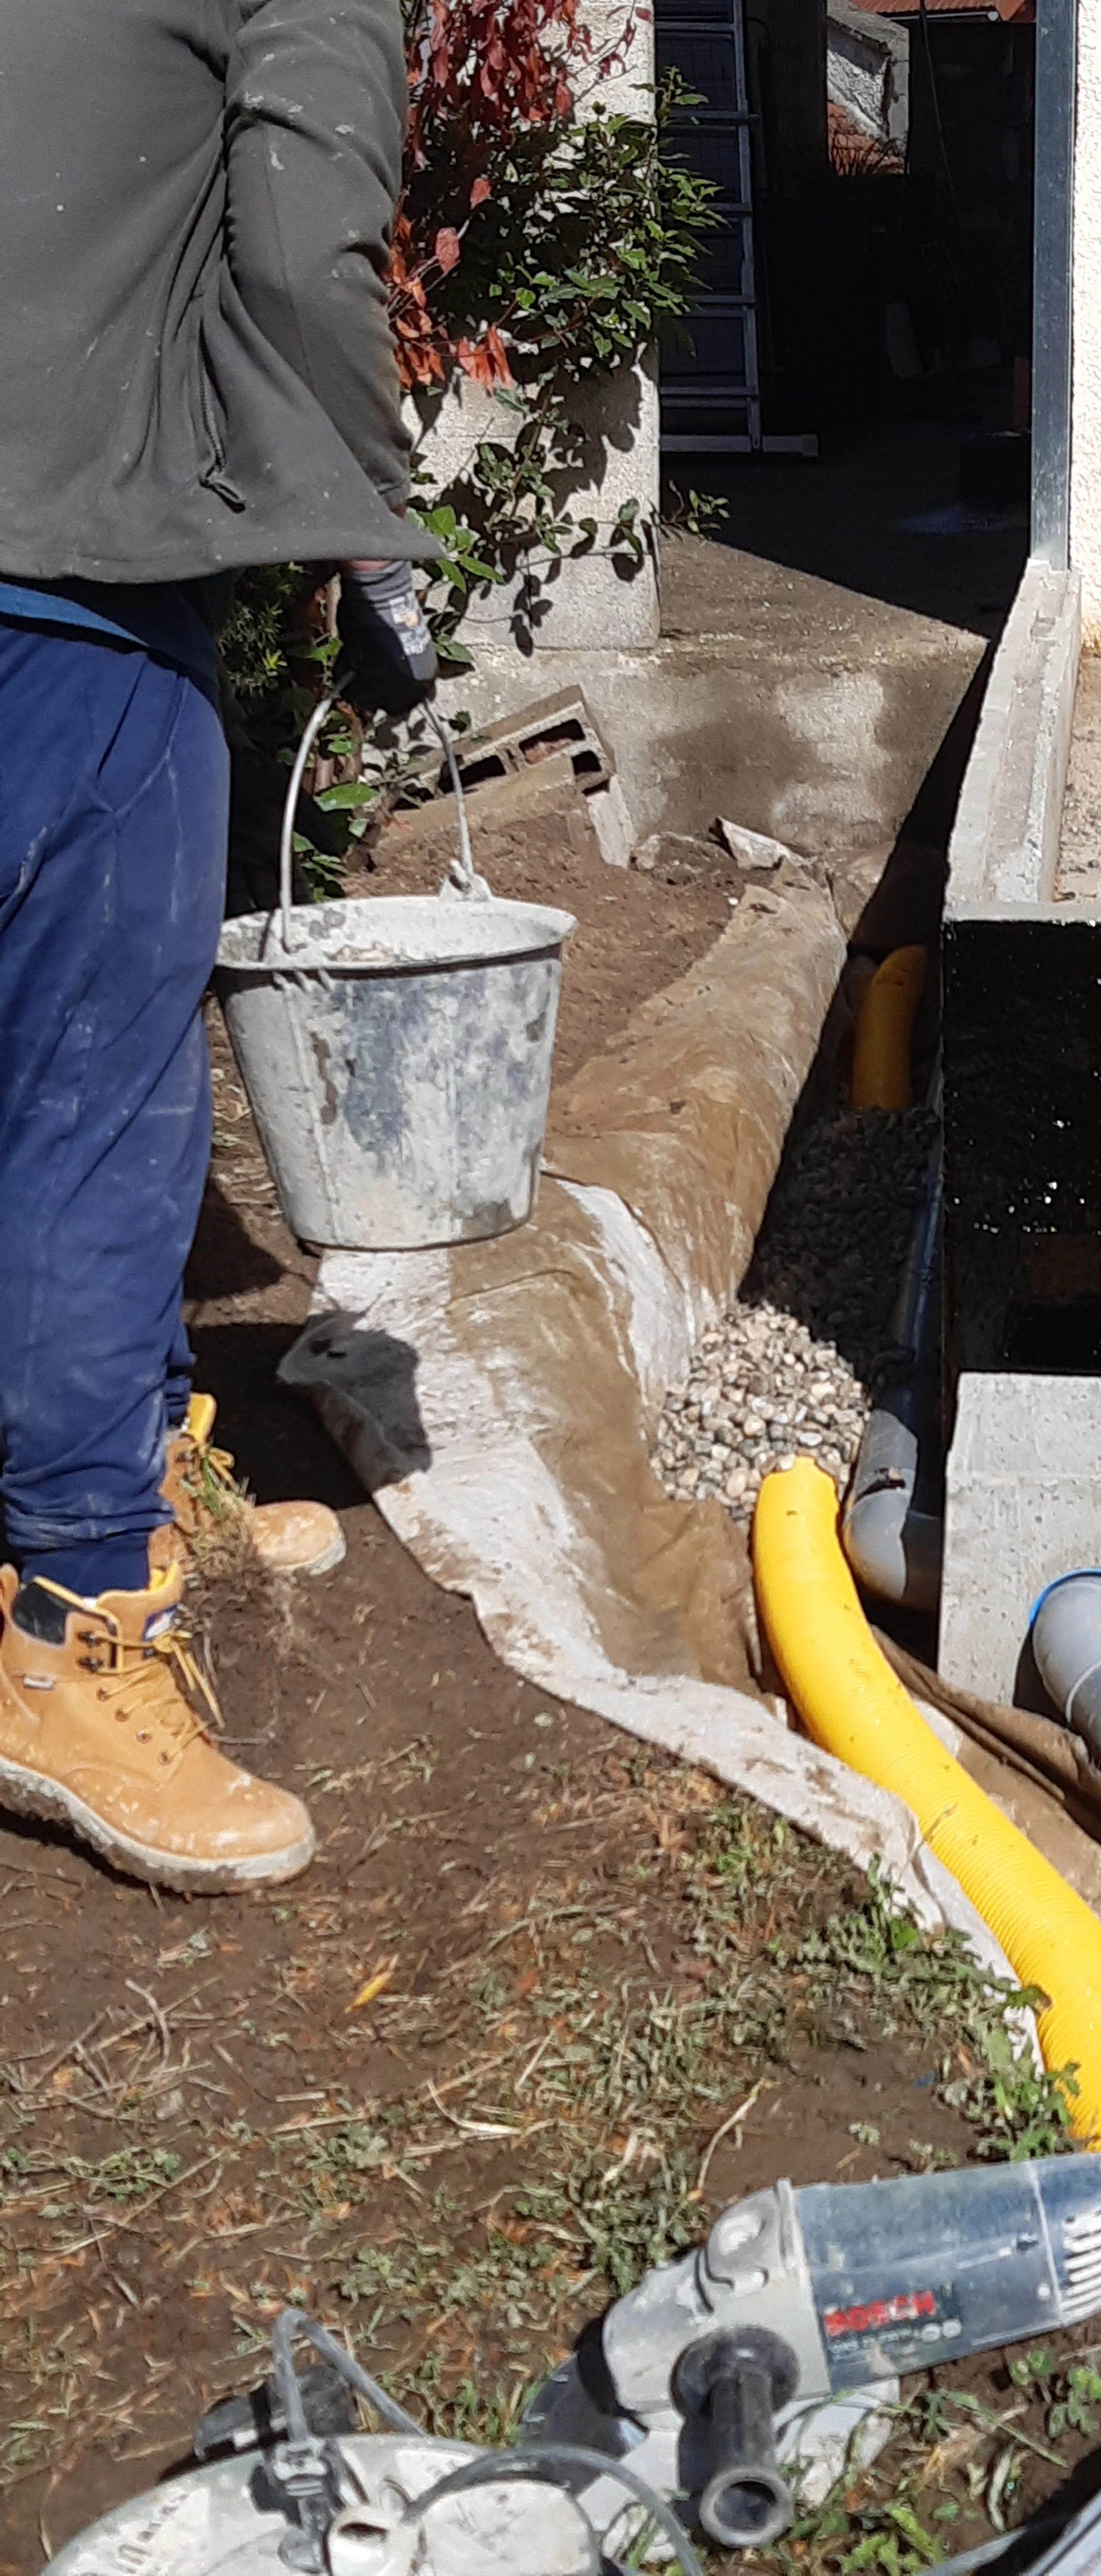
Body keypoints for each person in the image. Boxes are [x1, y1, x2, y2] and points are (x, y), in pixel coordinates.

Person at [0, 0, 442, 1893]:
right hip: (61, 589)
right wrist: (378, 540)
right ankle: (74, 1620)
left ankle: (116, 1469)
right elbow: (295, 233)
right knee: (94, 1109)